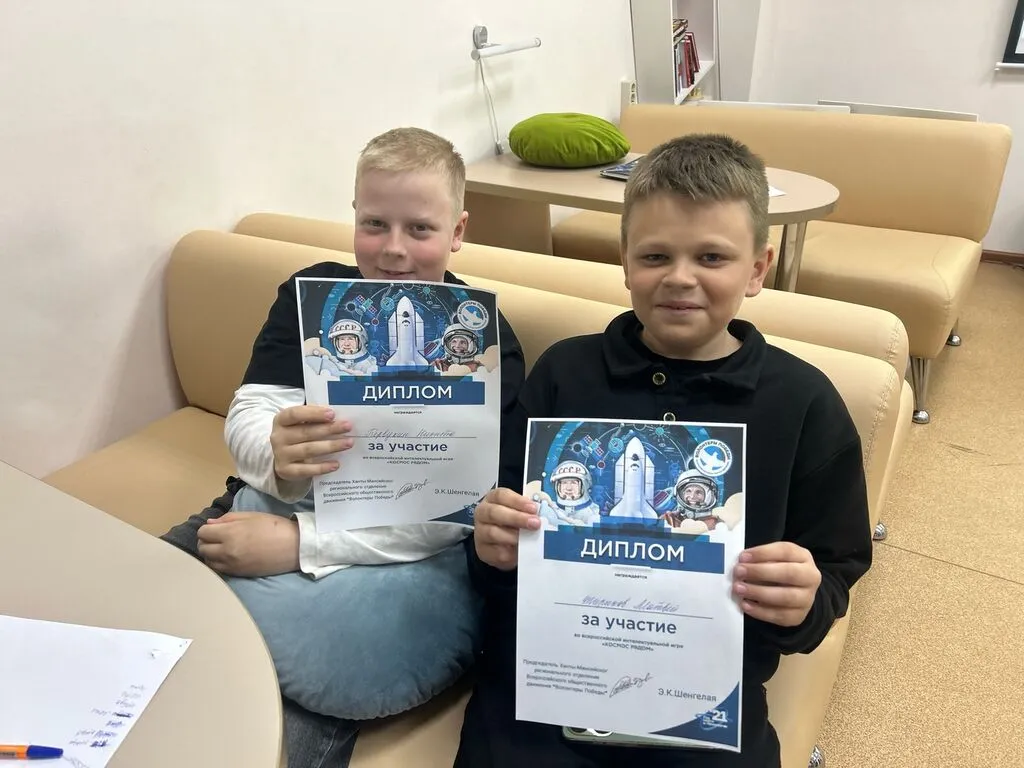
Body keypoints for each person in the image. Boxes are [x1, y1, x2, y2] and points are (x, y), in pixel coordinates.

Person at [458, 133, 873, 768]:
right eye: (655, 255)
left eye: (712, 257)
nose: (680, 278)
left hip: (707, 707)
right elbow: (496, 539)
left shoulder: (804, 403)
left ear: (757, 268)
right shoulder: (563, 374)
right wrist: (492, 545)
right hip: (546, 693)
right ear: (624, 261)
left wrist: (805, 602)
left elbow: (836, 568)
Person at [160, 126, 525, 768]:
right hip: (263, 503)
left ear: (458, 231)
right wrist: (273, 452)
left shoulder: (485, 342)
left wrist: (301, 544)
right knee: (128, 616)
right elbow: (250, 413)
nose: (393, 249)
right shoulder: (314, 300)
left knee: (276, 724)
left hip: (402, 551)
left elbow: (459, 511)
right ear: (354, 215)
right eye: (374, 224)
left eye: (420, 229)